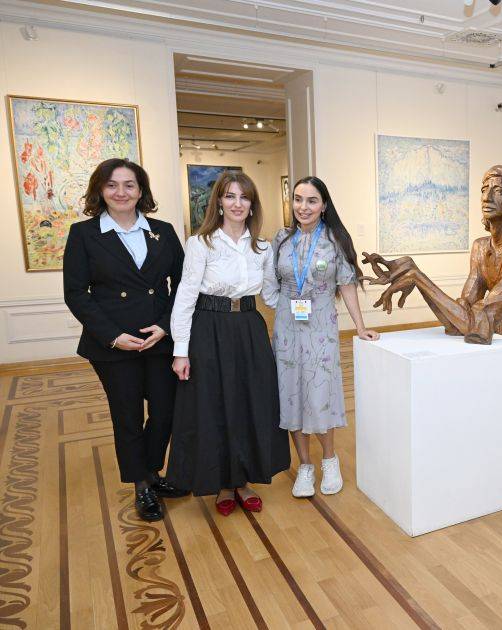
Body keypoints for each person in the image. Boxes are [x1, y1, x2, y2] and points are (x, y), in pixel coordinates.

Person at [63, 158, 187, 521]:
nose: (121, 192)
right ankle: (142, 485)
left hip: (159, 340)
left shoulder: (163, 231)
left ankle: (150, 470)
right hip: (113, 345)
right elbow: (76, 293)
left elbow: (183, 285)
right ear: (100, 190)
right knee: (128, 416)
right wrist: (114, 336)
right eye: (112, 185)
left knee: (165, 411)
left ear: (140, 190)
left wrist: (165, 326)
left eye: (129, 185)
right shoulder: (84, 234)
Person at [167, 171, 289, 515]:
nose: (237, 203)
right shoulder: (201, 243)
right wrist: (180, 351)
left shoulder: (261, 247)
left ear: (252, 204)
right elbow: (185, 296)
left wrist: (309, 302)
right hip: (209, 329)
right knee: (215, 405)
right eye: (230, 196)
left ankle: (243, 480)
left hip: (249, 329)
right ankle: (222, 484)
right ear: (219, 202)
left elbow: (271, 295)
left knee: (250, 403)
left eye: (244, 197)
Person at [263, 176, 379, 498]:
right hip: (287, 328)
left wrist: (359, 326)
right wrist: (280, 306)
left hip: (321, 328)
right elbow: (269, 280)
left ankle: (329, 460)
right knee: (291, 393)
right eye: (298, 199)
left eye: (311, 200)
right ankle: (305, 465)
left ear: (324, 205)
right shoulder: (281, 239)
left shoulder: (334, 239)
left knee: (320, 392)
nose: (303, 207)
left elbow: (347, 284)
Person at [361, 165, 502, 345]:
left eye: (498, 191)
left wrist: (417, 277)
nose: (486, 198)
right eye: (484, 190)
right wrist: (412, 271)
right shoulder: (480, 247)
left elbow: (476, 322)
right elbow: (458, 321)